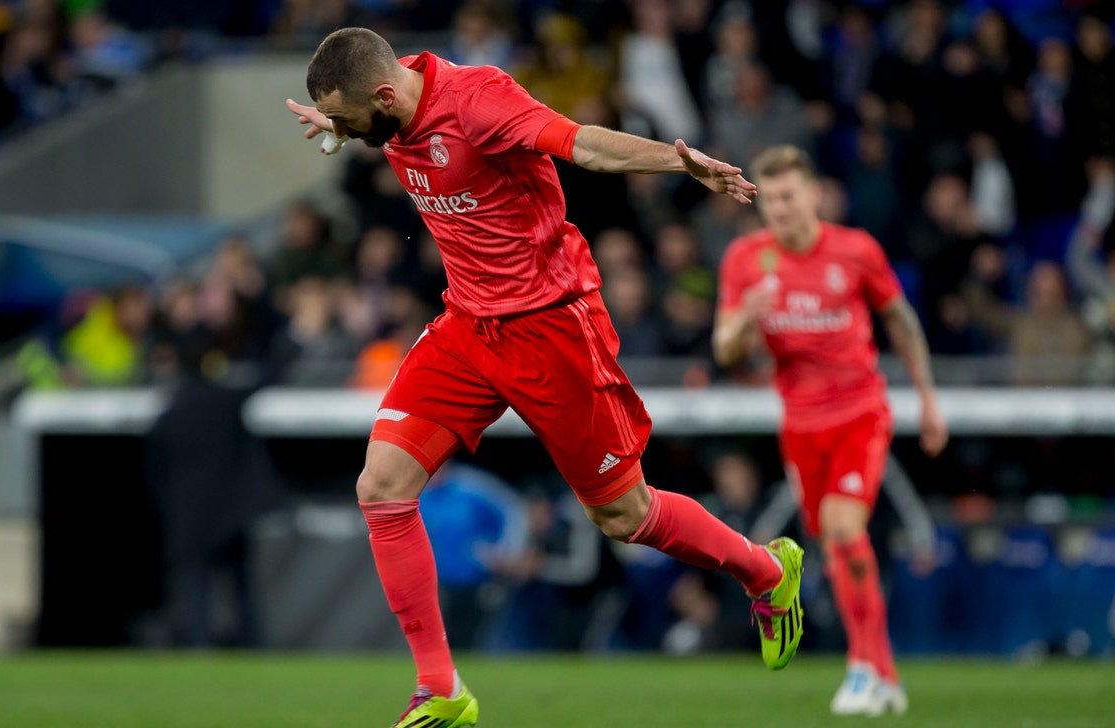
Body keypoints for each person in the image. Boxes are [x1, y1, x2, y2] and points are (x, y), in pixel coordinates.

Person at [285, 27, 803, 728]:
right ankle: (441, 687)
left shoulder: (478, 102)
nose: (345, 135)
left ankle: (765, 572)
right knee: (381, 487)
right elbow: (376, 108)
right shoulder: (389, 100)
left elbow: (583, 142)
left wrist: (682, 166)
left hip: (552, 328)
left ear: (383, 96)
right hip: (468, 327)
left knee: (624, 514)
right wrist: (343, 120)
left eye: (349, 123)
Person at [713, 145, 949, 717]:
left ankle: (864, 667)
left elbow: (901, 320)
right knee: (834, 547)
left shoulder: (856, 250)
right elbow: (725, 350)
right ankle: (883, 673)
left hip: (860, 414)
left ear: (815, 195)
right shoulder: (746, 260)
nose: (779, 209)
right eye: (769, 200)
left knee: (845, 530)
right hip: (799, 423)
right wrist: (747, 314)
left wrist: (927, 398)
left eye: (789, 196)